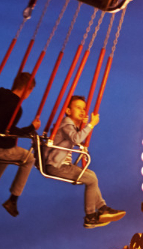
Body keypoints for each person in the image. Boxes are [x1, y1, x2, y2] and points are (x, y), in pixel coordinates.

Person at [46, 95, 126, 228]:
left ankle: (102, 208)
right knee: (91, 179)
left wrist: (82, 126)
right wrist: (91, 125)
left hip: (62, 165)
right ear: (68, 111)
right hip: (57, 165)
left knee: (91, 176)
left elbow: (75, 137)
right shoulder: (66, 123)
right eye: (78, 108)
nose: (82, 111)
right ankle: (90, 216)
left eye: (83, 108)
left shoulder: (71, 125)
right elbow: (75, 139)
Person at [0, 71, 37, 217]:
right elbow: (8, 131)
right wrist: (31, 128)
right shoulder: (16, 107)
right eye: (30, 91)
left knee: (9, 152)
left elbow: (0, 126)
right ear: (26, 89)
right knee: (29, 159)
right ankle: (13, 199)